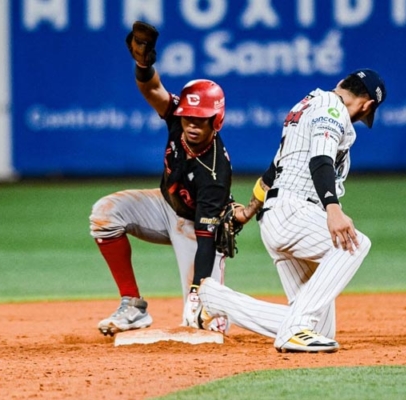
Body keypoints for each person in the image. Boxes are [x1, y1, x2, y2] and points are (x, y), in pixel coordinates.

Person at [194, 69, 387, 353]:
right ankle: (294, 330)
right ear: (367, 104)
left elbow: (273, 171)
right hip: (293, 212)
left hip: (278, 215)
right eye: (366, 112)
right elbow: (320, 160)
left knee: (321, 330)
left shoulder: (308, 104)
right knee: (354, 245)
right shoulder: (333, 107)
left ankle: (215, 300)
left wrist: (249, 212)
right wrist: (333, 209)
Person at [89, 21, 231, 336]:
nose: (191, 125)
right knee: (104, 214)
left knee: (202, 322)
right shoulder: (178, 119)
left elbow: (206, 240)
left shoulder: (216, 172)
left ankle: (212, 309)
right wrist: (143, 64)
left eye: (201, 120)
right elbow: (152, 89)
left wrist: (197, 291)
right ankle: (132, 306)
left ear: (216, 122)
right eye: (188, 119)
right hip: (164, 204)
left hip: (196, 228)